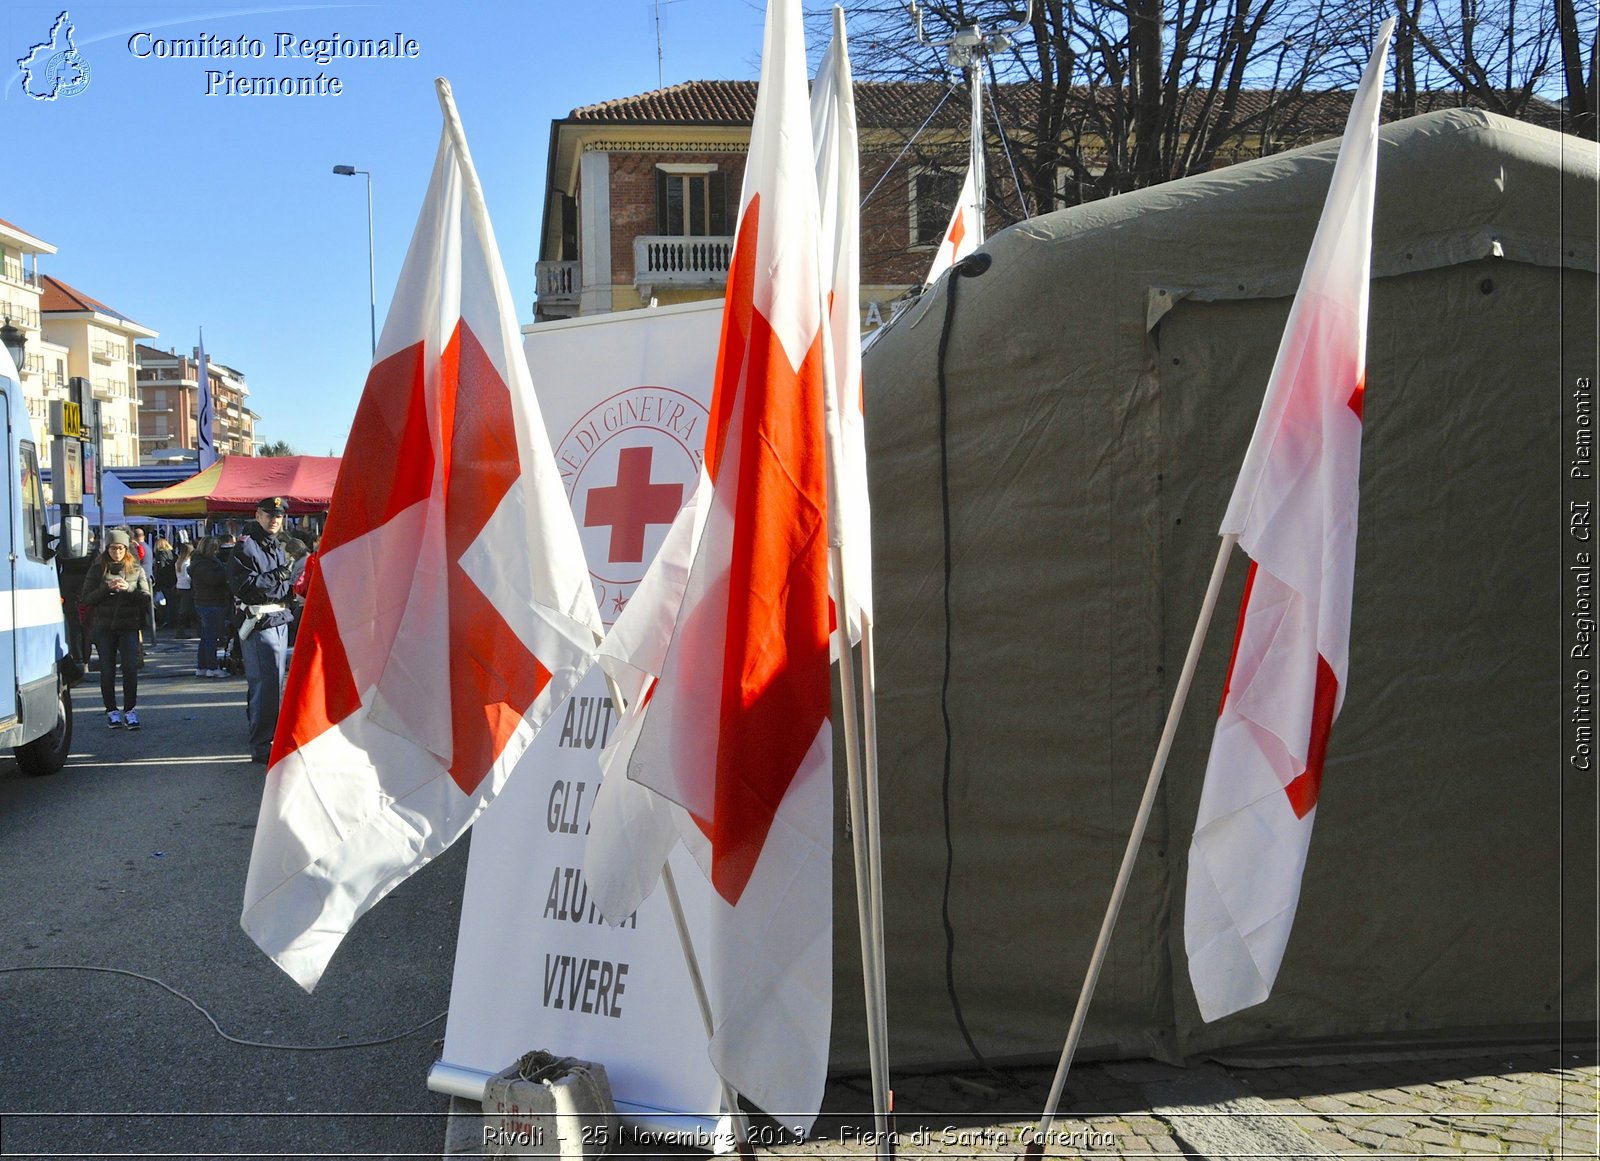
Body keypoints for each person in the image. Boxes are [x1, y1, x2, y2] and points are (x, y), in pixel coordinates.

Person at [228, 497, 295, 763]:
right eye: (269, 515)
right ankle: (262, 744)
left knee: (272, 684)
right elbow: (245, 587)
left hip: (278, 617)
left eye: (278, 516)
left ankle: (267, 737)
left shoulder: (275, 546)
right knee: (265, 685)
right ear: (258, 515)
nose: (275, 520)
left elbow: (279, 587)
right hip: (259, 621)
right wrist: (277, 577)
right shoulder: (246, 547)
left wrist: (283, 583)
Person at [79, 529, 152, 730]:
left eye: (120, 548)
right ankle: (111, 710)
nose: (117, 552)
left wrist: (127, 589)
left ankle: (130, 710)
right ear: (107, 549)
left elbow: (146, 597)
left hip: (128, 626)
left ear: (126, 549)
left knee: (129, 668)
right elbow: (85, 598)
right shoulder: (96, 570)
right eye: (113, 548)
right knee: (107, 670)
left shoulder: (136, 569)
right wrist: (107, 588)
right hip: (103, 627)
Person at [189, 537, 232, 677]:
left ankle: (202, 666)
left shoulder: (198, 562)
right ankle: (212, 667)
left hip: (203, 602)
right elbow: (213, 580)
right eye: (215, 547)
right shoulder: (204, 564)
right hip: (211, 602)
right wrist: (225, 571)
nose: (217, 550)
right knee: (211, 637)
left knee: (206, 636)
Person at [173, 541, 195, 637]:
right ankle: (181, 632)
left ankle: (180, 630)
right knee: (185, 611)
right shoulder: (187, 563)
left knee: (182, 610)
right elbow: (187, 577)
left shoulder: (179, 561)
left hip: (180, 586)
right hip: (186, 587)